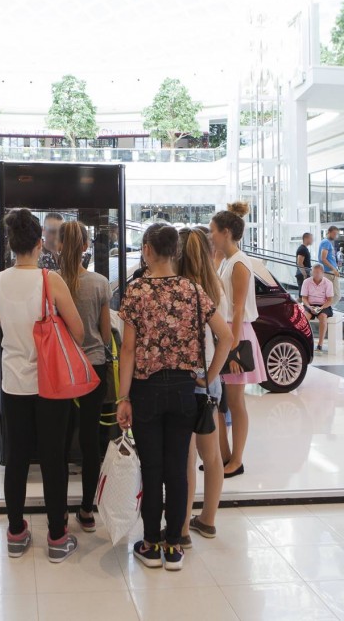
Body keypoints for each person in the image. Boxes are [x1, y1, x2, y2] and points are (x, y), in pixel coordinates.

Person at [117, 223, 231, 572]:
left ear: (148, 250)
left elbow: (128, 350)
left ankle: (150, 543)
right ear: (175, 251)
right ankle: (174, 545)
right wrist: (207, 377)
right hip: (185, 389)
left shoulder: (136, 292)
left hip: (147, 390)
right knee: (178, 469)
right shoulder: (193, 290)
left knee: (151, 468)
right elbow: (226, 338)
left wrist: (123, 398)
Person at [0, 208, 85, 563]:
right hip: (49, 383)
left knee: (16, 460)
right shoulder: (50, 280)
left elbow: (5, 326)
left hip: (13, 383)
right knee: (53, 459)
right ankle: (58, 538)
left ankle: (16, 533)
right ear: (38, 242)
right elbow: (77, 330)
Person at [56, 221, 112, 533]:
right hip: (94, 367)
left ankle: (59, 511)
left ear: (59, 245)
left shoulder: (50, 282)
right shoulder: (100, 284)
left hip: (61, 368)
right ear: (86, 246)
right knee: (90, 441)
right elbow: (105, 334)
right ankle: (87, 510)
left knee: (60, 441)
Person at [210, 202, 269, 478]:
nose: (211, 237)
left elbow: (237, 307)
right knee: (225, 402)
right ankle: (225, 456)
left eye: (213, 232)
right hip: (230, 333)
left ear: (225, 232)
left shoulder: (240, 263)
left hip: (237, 334)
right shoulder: (228, 261)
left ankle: (237, 459)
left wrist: (232, 350)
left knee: (235, 402)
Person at [178, 227, 228, 546]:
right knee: (212, 457)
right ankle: (207, 520)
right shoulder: (216, 287)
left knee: (185, 459)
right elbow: (225, 337)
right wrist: (211, 376)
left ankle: (182, 526)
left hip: (187, 379)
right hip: (211, 380)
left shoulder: (181, 290)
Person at [301, 264, 334, 353]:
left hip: (323, 305)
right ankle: (304, 342)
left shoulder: (328, 283)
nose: (315, 274)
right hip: (309, 304)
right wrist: (308, 306)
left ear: (322, 273)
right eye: (314, 272)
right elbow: (304, 298)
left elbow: (330, 300)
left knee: (323, 318)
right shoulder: (306, 282)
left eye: (318, 272)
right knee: (304, 318)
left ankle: (320, 344)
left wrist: (322, 308)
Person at [318, 226, 341, 303]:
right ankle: (326, 309)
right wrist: (334, 270)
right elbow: (323, 258)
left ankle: (325, 310)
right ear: (329, 232)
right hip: (329, 272)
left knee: (330, 294)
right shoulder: (326, 242)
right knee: (336, 295)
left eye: (336, 234)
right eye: (334, 234)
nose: (335, 236)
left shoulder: (327, 242)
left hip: (329, 271)